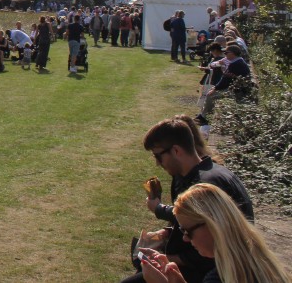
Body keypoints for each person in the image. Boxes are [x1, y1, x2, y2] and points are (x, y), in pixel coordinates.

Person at [122, 117, 253, 283]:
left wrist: (169, 258)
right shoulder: (204, 172)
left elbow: (209, 253)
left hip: (218, 272)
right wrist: (168, 232)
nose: (157, 163)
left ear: (176, 151)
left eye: (158, 156)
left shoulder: (205, 186)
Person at [139, 183, 291, 283]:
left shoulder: (222, 276)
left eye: (187, 231)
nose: (185, 238)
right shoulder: (257, 260)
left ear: (213, 225)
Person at [201, 46, 252, 115]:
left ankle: (205, 117)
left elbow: (225, 80)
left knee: (210, 95)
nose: (225, 54)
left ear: (233, 53)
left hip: (237, 91)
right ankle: (204, 115)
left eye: (226, 52)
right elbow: (226, 78)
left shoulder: (235, 64)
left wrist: (215, 88)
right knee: (211, 90)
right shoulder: (239, 61)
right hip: (237, 87)